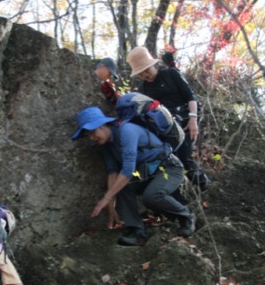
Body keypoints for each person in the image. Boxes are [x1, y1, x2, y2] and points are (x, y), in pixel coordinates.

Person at [72, 106, 196, 245]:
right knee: (123, 187)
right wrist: (111, 206)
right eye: (88, 135)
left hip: (169, 168)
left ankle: (186, 215)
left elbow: (128, 170)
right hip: (147, 174)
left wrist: (106, 198)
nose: (92, 138)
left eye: (92, 132)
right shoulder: (107, 145)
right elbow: (112, 172)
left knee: (151, 197)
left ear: (102, 125)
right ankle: (137, 231)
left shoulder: (127, 131)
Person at [127, 47, 210, 191]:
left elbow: (190, 97)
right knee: (170, 157)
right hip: (166, 126)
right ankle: (173, 191)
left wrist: (193, 120)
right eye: (141, 73)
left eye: (147, 70)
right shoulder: (143, 90)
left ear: (153, 65)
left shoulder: (171, 74)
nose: (145, 75)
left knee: (184, 154)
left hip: (185, 117)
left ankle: (203, 185)